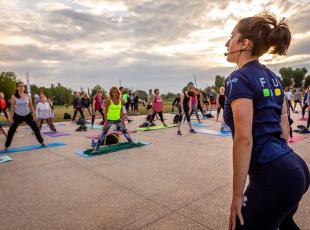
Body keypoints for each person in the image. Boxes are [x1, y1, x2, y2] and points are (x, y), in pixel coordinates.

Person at [223, 13, 309, 230]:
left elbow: (244, 139)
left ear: (245, 43)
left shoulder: (237, 78)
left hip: (275, 174)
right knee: (284, 222)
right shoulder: (274, 78)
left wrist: (236, 197)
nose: (227, 42)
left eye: (232, 37)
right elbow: (284, 128)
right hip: (295, 166)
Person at [4, 82, 45, 151]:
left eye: (22, 86)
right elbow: (12, 108)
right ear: (17, 88)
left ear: (24, 88)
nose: (21, 88)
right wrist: (11, 118)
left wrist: (34, 115)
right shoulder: (13, 96)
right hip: (17, 116)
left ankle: (41, 142)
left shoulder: (28, 96)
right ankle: (6, 146)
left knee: (35, 128)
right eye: (19, 86)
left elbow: (31, 107)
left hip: (27, 115)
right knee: (11, 131)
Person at [94, 87, 133, 151]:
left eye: (117, 92)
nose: (115, 93)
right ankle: (97, 146)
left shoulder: (120, 100)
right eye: (114, 92)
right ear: (111, 93)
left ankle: (131, 141)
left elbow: (121, 111)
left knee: (124, 130)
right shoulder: (108, 101)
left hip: (118, 119)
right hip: (109, 119)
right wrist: (106, 122)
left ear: (118, 93)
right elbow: (105, 112)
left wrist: (123, 120)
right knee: (104, 133)